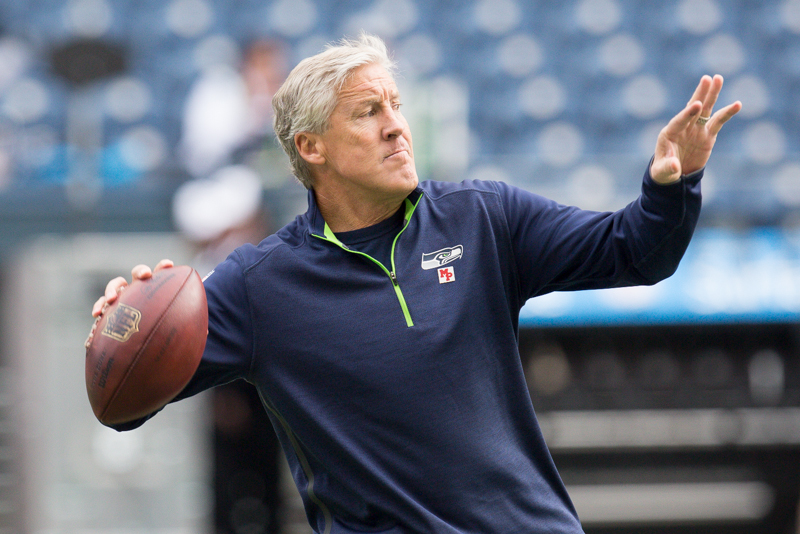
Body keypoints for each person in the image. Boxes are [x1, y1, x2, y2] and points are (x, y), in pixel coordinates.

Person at [90, 33, 741, 534]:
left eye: (395, 105)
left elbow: (633, 251)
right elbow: (126, 394)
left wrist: (669, 186)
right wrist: (121, 322)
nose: (397, 125)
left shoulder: (483, 216)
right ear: (311, 147)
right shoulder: (260, 286)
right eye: (369, 112)